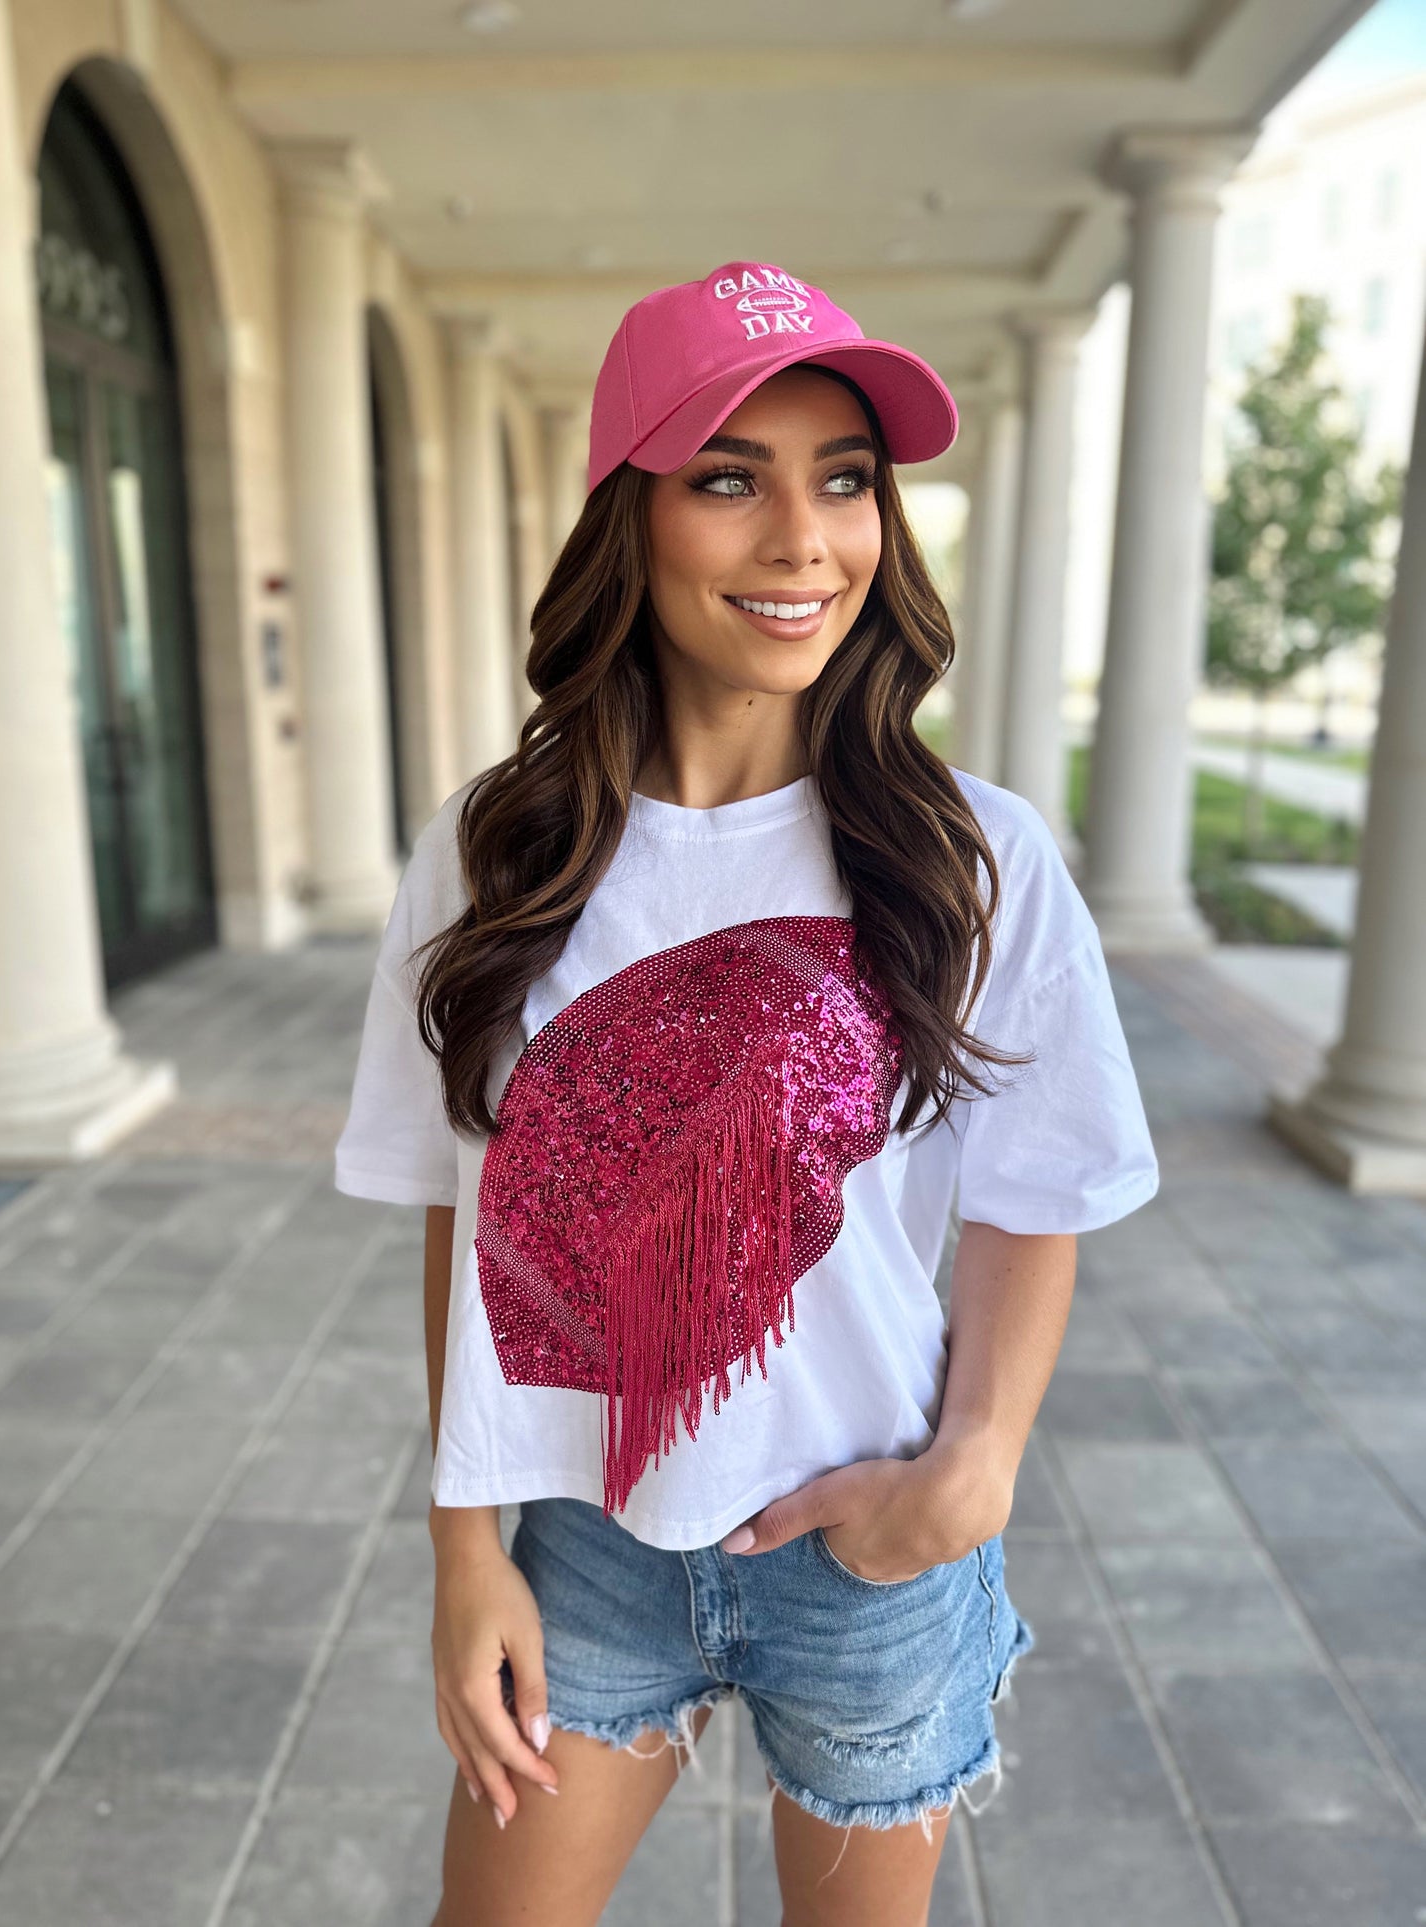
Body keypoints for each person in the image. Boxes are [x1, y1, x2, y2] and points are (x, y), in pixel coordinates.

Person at [334, 259, 1160, 1926]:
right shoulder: (498, 848)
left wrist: (969, 1472)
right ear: (624, 522)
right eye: (728, 479)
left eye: (843, 480)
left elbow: (1032, 1195)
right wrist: (461, 1546)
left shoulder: (972, 853)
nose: (804, 539)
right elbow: (469, 1204)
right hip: (584, 1542)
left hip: (867, 1539)